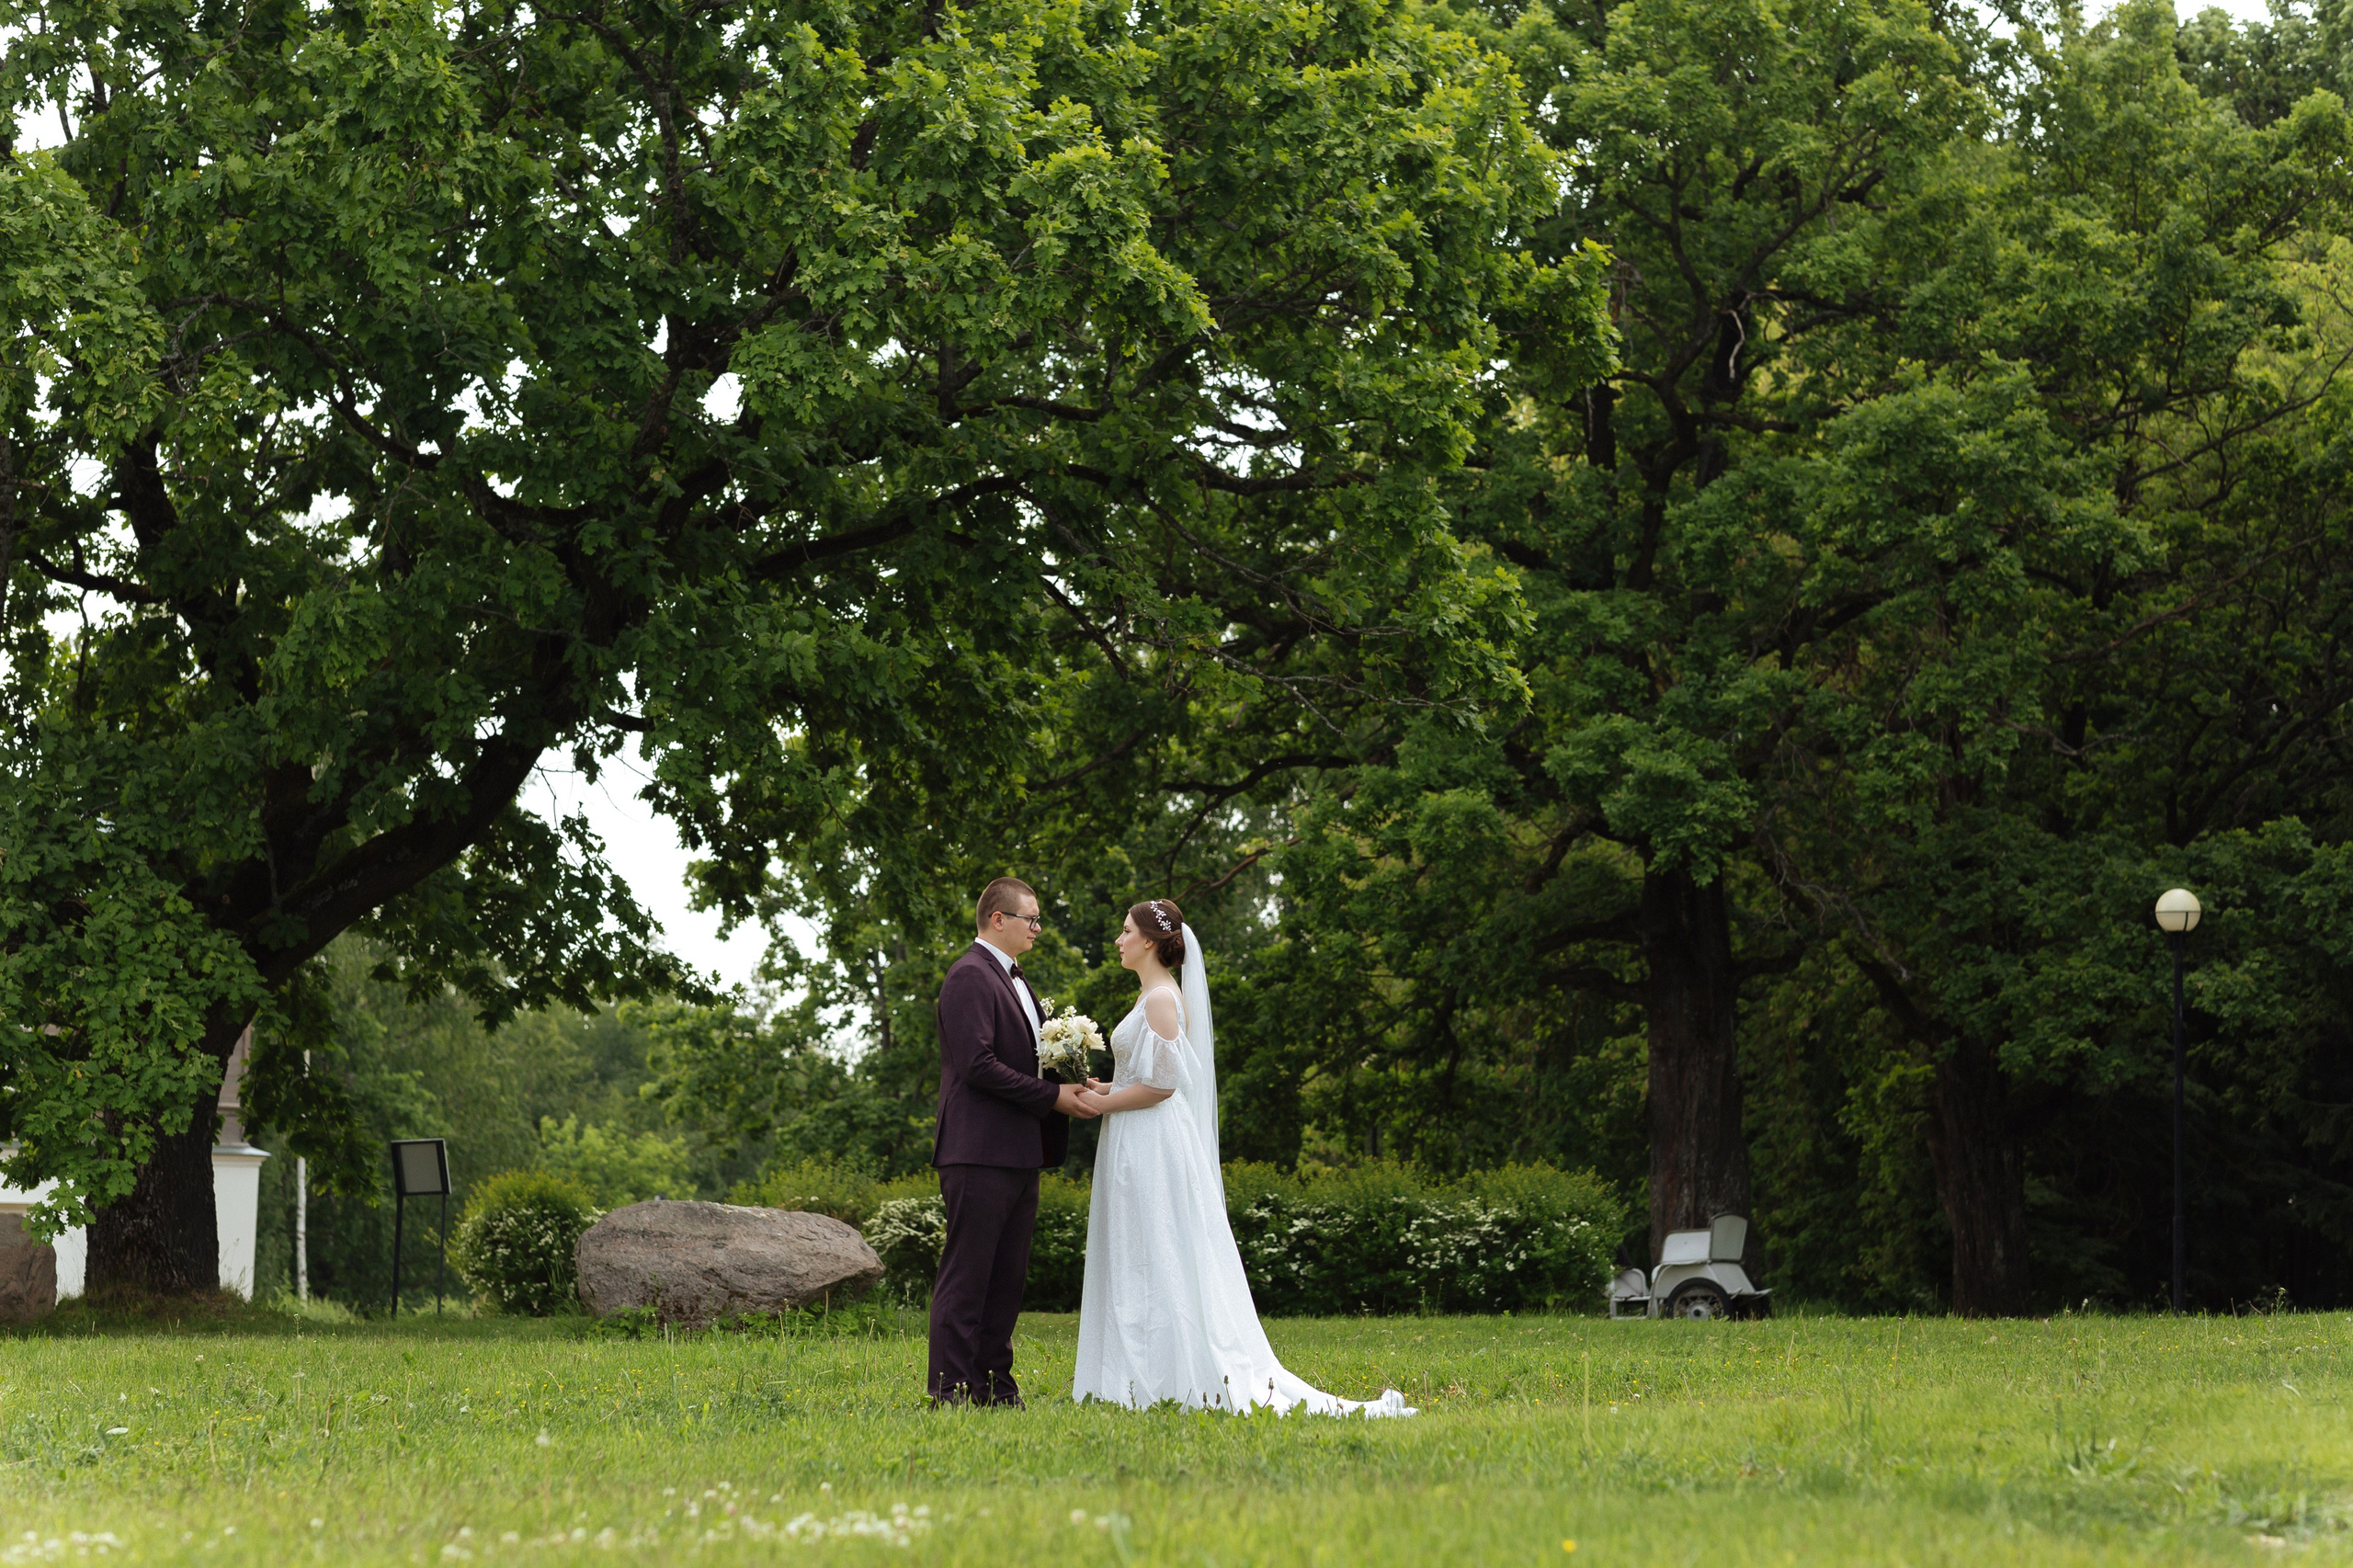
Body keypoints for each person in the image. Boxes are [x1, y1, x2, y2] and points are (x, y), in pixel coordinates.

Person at [1069, 898, 1415, 1416]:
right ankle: (1139, 1369)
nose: (1117, 940)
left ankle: (1175, 1370)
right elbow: (1143, 1073)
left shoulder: (1162, 998)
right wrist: (1100, 1085)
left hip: (1153, 1139)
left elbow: (1163, 1086)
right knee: (1141, 1245)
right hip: (1133, 1133)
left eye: (1124, 932)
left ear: (1148, 941)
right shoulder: (1150, 998)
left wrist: (1101, 1104)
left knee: (1161, 1246)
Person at [928, 875, 1100, 1406]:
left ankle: (996, 1389)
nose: (1038, 929)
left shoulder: (1016, 981)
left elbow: (1026, 1060)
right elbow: (977, 1065)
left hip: (1020, 1150)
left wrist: (1070, 1082)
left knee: (1005, 1282)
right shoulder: (969, 976)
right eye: (1032, 919)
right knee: (968, 1277)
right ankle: (952, 1391)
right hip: (978, 1151)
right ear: (997, 920)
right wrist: (1051, 1098)